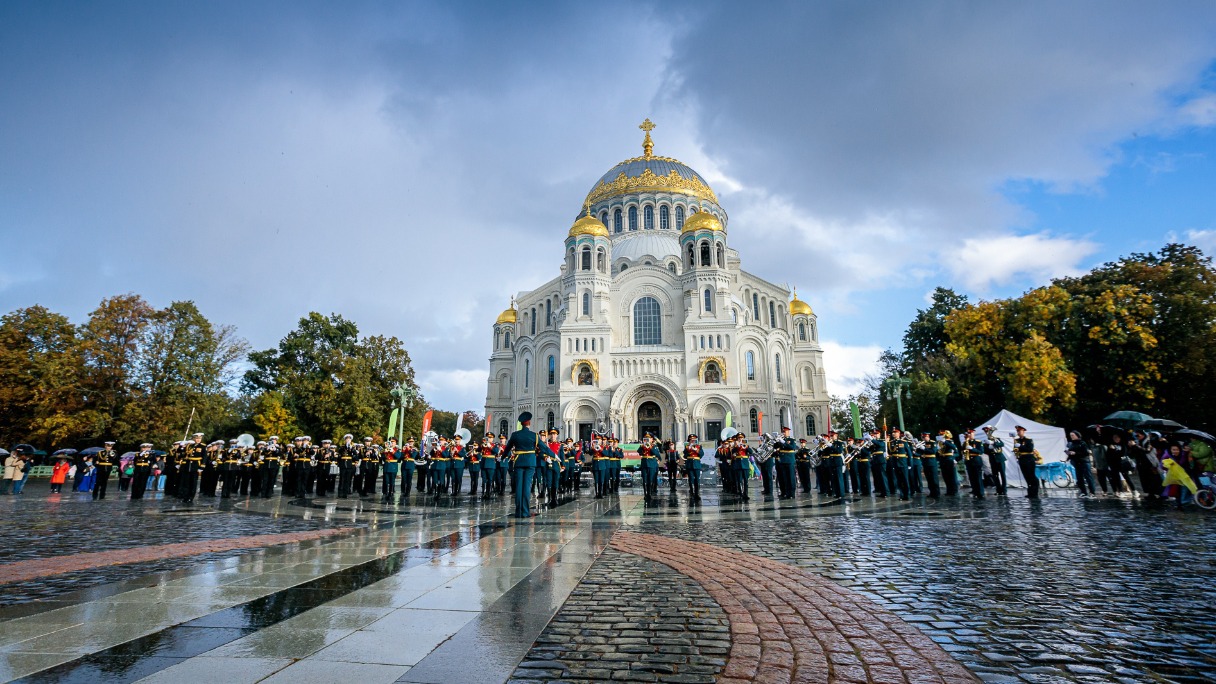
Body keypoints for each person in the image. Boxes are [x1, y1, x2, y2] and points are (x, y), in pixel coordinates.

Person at [502, 411, 553, 518]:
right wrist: (554, 456)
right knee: (526, 487)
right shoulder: (534, 435)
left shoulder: (515, 435)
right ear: (529, 423)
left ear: (521, 424)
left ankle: (518, 511)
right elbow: (544, 448)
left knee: (519, 486)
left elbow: (507, 448)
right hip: (530, 463)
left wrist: (502, 457)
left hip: (519, 462)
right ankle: (525, 512)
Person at [1065, 431, 1096, 497]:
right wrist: (1067, 457)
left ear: (1077, 435)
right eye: (1071, 435)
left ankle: (1092, 492)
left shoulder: (1082, 443)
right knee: (1079, 478)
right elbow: (1070, 453)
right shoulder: (1071, 444)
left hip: (1084, 462)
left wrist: (1076, 453)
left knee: (1088, 477)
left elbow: (1086, 453)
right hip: (1076, 462)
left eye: (1073, 435)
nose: (1071, 436)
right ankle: (1083, 492)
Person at [1014, 426, 1039, 499]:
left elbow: (1030, 449)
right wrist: (1016, 450)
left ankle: (1035, 492)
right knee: (1026, 476)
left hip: (1029, 458)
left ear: (1023, 431)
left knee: (1031, 475)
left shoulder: (1028, 440)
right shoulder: (1016, 440)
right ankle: (1030, 492)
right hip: (1022, 459)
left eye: (1020, 431)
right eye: (1018, 431)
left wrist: (1020, 446)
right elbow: (1015, 449)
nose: (1019, 432)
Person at [775, 426, 798, 500]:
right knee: (785, 478)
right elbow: (775, 447)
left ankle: (792, 493)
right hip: (782, 461)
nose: (783, 433)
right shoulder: (781, 440)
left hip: (789, 460)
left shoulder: (791, 440)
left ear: (788, 432)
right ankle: (786, 493)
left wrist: (783, 442)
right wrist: (776, 441)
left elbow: (792, 447)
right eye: (783, 432)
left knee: (791, 477)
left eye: (785, 432)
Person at [983, 426, 1007, 496]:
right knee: (995, 475)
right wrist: (988, 447)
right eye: (986, 431)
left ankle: (1004, 490)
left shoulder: (996, 439)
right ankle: (998, 490)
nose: (987, 432)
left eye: (988, 431)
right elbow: (985, 451)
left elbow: (1002, 444)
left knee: (1002, 475)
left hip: (1000, 458)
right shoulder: (986, 441)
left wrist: (993, 443)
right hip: (992, 459)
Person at [962, 429, 986, 499]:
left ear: (973, 434)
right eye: (968, 434)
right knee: (972, 478)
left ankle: (981, 493)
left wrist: (972, 448)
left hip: (976, 461)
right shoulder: (965, 443)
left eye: (970, 434)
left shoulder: (978, 442)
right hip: (969, 461)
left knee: (978, 477)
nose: (969, 435)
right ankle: (975, 492)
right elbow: (962, 451)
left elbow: (981, 451)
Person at [917, 432, 940, 498]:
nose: (924, 438)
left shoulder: (932, 442)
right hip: (925, 463)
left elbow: (933, 451)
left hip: (932, 463)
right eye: (923, 437)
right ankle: (932, 492)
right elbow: (919, 453)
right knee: (929, 479)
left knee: (934, 479)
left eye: (925, 437)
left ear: (928, 436)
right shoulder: (923, 443)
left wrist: (924, 448)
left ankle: (936, 493)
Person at [638, 434, 660, 501]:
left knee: (650, 479)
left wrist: (650, 446)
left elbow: (656, 454)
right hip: (644, 464)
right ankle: (645, 494)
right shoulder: (642, 446)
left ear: (651, 439)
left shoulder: (654, 446)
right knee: (644, 479)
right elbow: (639, 452)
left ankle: (649, 494)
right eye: (646, 438)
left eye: (648, 439)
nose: (647, 440)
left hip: (652, 464)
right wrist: (643, 446)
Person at [684, 434, 703, 502]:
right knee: (691, 478)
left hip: (697, 464)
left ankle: (697, 493)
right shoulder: (687, 447)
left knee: (697, 479)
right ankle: (691, 492)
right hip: (689, 464)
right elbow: (685, 455)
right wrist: (689, 450)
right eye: (691, 440)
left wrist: (696, 450)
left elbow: (701, 454)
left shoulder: (699, 446)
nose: (692, 441)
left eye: (694, 440)